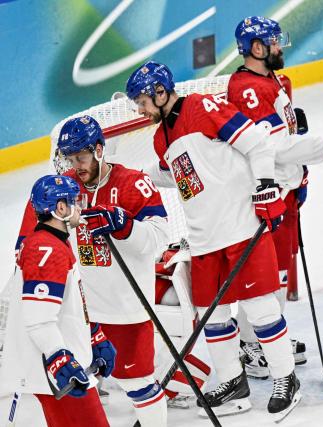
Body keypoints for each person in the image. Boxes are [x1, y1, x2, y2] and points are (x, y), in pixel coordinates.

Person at [126, 60, 301, 421]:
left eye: (142, 102)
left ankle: (286, 378)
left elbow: (256, 143)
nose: (140, 111)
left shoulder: (202, 107)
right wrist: (128, 177)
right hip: (203, 237)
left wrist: (266, 187)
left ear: (160, 92)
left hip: (239, 227)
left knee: (260, 308)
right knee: (212, 316)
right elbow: (176, 175)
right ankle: (234, 383)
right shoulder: (162, 138)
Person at [16, 116, 170, 425]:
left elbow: (158, 239)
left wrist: (126, 226)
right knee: (78, 389)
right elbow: (26, 246)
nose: (75, 165)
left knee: (139, 385)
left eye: (81, 157)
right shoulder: (61, 191)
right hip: (79, 315)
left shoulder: (132, 183)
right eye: (70, 158)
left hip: (125, 310)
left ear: (99, 150)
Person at [227, 15, 323, 379]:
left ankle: (266, 338)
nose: (280, 47)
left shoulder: (269, 80)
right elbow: (276, 149)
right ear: (257, 48)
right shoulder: (248, 89)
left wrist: (299, 176)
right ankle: (252, 345)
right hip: (265, 196)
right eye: (274, 42)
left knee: (278, 273)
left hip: (284, 192)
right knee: (268, 276)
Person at [1, 175, 111, 426]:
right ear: (60, 208)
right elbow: (39, 320)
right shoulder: (46, 250)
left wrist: (92, 334)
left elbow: (64, 307)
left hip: (62, 372)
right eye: (73, 201)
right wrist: (58, 357)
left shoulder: (54, 243)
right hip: (57, 377)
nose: (79, 206)